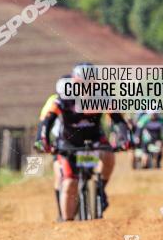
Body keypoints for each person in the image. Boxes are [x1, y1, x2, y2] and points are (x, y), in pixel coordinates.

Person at [37, 62, 130, 220]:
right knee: (68, 182)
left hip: (94, 139)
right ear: (74, 82)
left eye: (91, 84)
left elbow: (118, 120)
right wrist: (42, 140)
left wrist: (124, 138)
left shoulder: (102, 96)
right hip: (68, 142)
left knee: (108, 156)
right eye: (83, 84)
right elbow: (47, 121)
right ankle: (66, 221)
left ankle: (100, 190)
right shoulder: (64, 97)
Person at [36, 75, 70, 221]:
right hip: (60, 140)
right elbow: (44, 122)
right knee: (60, 173)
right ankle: (61, 212)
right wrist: (41, 140)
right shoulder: (54, 101)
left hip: (83, 141)